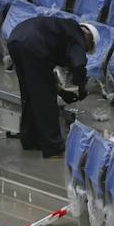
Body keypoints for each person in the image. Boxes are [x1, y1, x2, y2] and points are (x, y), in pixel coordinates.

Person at [7, 18, 99, 158]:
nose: (84, 50)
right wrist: (81, 87)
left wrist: (62, 92)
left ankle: (29, 140)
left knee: (30, 95)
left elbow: (42, 77)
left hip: (16, 39)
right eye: (87, 48)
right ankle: (53, 148)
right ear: (88, 38)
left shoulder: (61, 30)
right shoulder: (77, 35)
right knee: (46, 101)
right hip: (34, 43)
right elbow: (79, 64)